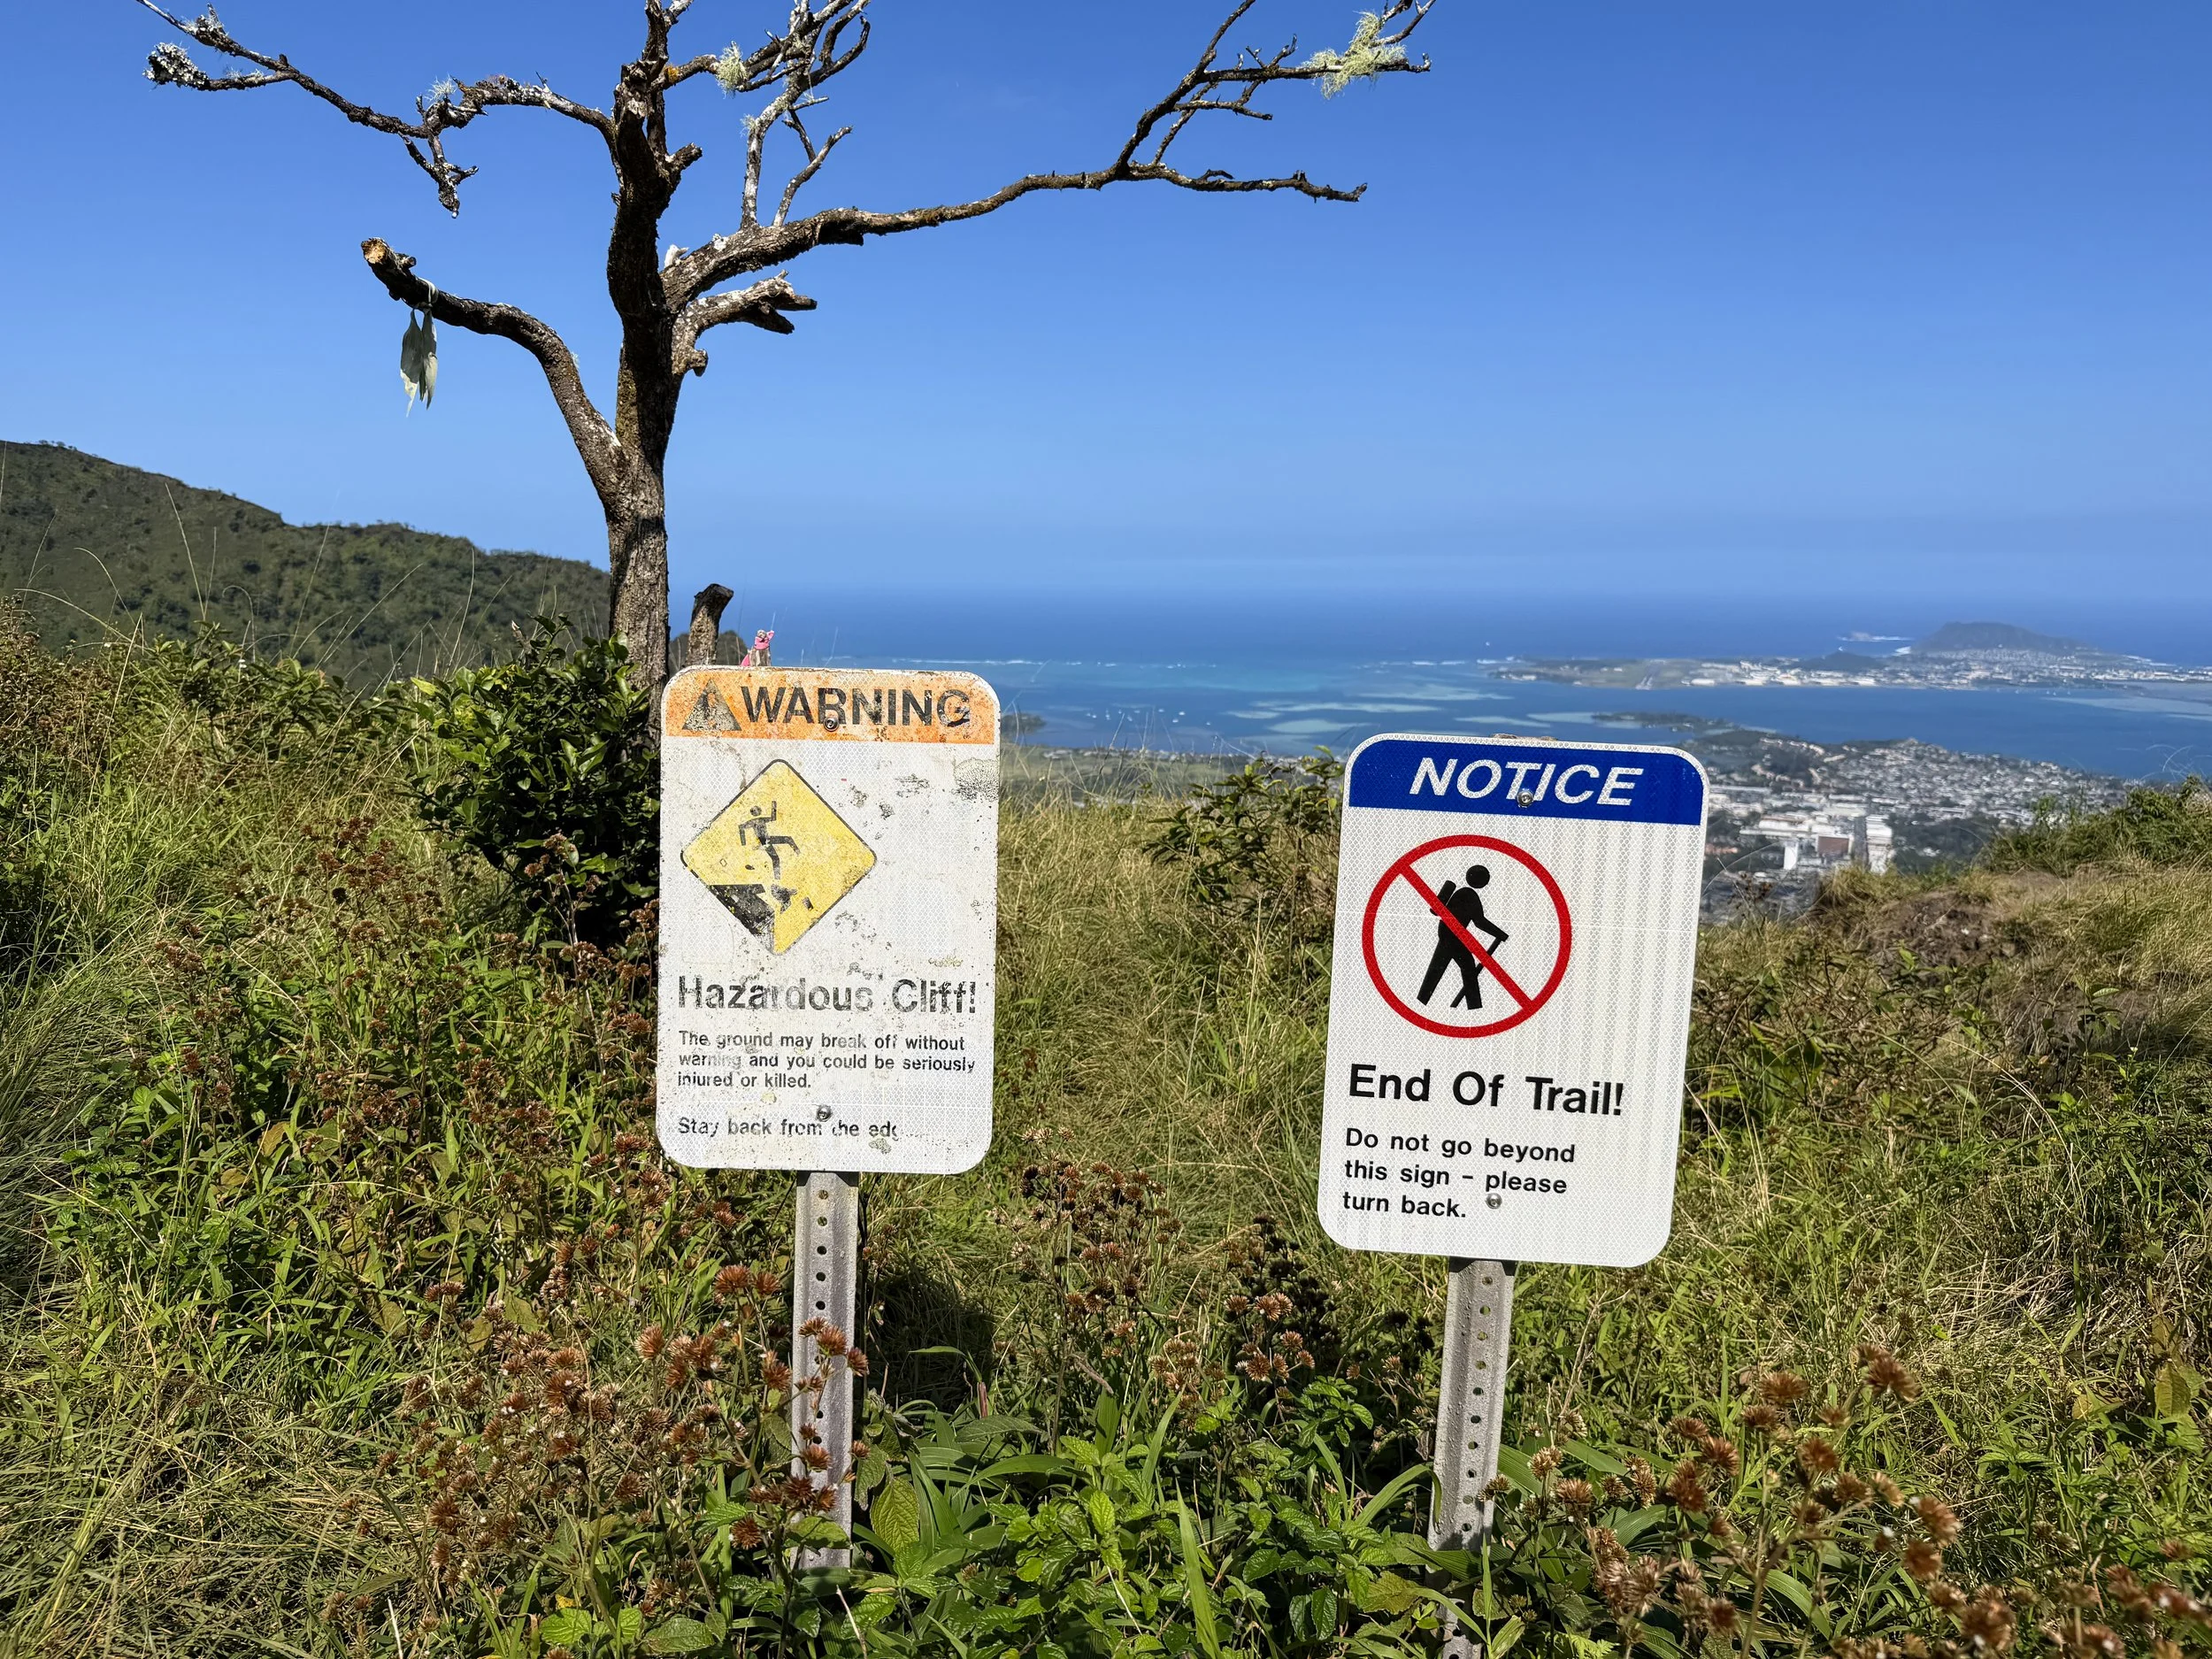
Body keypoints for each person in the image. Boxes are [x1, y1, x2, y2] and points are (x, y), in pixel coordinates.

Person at [1417, 865, 1508, 1010]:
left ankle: (1421, 1001)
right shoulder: (1470, 895)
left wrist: (1499, 934)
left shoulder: (1461, 892)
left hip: (1447, 932)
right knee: (1468, 968)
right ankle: (1475, 1007)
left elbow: (1478, 922)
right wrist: (1500, 934)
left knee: (1438, 969)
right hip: (1453, 935)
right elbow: (1480, 922)